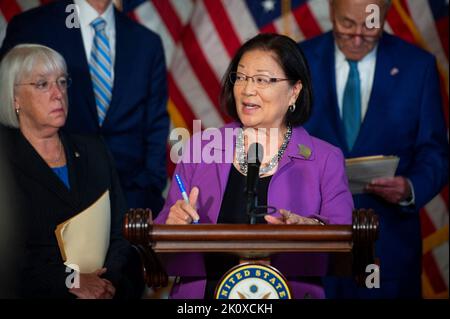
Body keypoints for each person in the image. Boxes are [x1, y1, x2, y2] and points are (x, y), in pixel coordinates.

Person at [154, 33, 353, 299]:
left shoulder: (325, 158)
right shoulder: (201, 148)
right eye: (241, 77)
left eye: (262, 80)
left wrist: (309, 228)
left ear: (294, 91)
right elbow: (158, 237)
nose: (248, 90)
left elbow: (347, 240)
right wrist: (172, 224)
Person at [299, 0, 448, 298]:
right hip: (311, 244)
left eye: (370, 27)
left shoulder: (417, 66)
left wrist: (410, 187)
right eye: (347, 25)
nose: (356, 38)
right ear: (331, 11)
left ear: (386, 15)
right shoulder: (296, 60)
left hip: (388, 245)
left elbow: (435, 151)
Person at [0, 44, 144, 299]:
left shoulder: (94, 149)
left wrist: (107, 283)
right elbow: (11, 257)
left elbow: (121, 232)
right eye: (42, 84)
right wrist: (72, 281)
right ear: (14, 99)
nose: (58, 94)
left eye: (62, 82)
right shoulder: (6, 163)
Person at [0, 0, 169, 215]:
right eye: (44, 84)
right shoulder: (33, 27)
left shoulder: (147, 42)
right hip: (48, 206)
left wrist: (150, 190)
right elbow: (6, 104)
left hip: (132, 205)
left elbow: (156, 125)